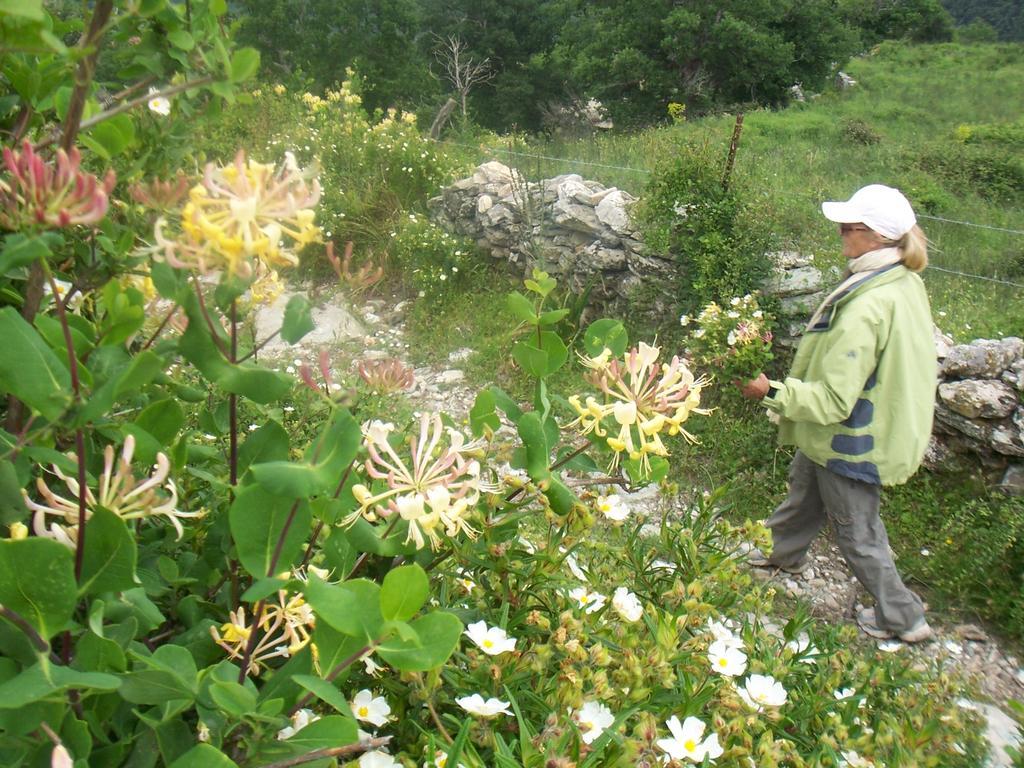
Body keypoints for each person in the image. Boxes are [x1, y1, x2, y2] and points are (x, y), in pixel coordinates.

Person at [739, 184, 936, 643]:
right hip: (862, 427)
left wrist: (770, 391)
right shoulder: (900, 280)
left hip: (853, 439)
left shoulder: (867, 305)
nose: (841, 232)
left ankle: (903, 618)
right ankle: (780, 552)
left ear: (874, 235)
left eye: (850, 226)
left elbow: (831, 401)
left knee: (857, 532)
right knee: (805, 487)